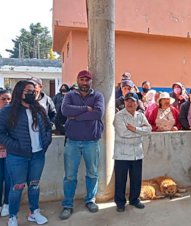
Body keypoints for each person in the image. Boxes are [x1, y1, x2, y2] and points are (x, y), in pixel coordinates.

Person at [0, 81, 52, 226]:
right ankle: (13, 216)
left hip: (38, 155)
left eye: (34, 90)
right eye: (28, 90)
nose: (32, 93)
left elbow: (49, 126)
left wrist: (46, 141)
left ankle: (34, 212)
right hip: (17, 156)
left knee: (34, 185)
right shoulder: (9, 110)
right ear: (19, 92)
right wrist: (15, 146)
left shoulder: (39, 108)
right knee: (17, 187)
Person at [59, 70, 105, 220]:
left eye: (87, 80)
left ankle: (90, 200)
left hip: (91, 142)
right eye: (82, 79)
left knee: (92, 173)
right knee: (70, 176)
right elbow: (65, 110)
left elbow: (98, 114)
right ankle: (67, 204)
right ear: (78, 81)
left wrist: (75, 116)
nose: (84, 82)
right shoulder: (70, 95)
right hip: (72, 142)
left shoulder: (98, 96)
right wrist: (86, 109)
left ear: (91, 81)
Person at [113, 92, 152, 212]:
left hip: (137, 153)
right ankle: (120, 203)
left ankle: (134, 200)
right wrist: (140, 132)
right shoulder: (119, 116)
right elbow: (123, 133)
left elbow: (149, 129)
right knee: (120, 180)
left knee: (136, 179)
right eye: (127, 101)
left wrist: (134, 129)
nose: (129, 103)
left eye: (132, 101)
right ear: (124, 102)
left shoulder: (140, 115)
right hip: (122, 154)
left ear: (137, 103)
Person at [0, 88, 11, 217]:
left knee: (9, 179)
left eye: (9, 99)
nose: (7, 102)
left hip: (10, 153)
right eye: (3, 99)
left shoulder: (13, 116)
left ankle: (7, 203)